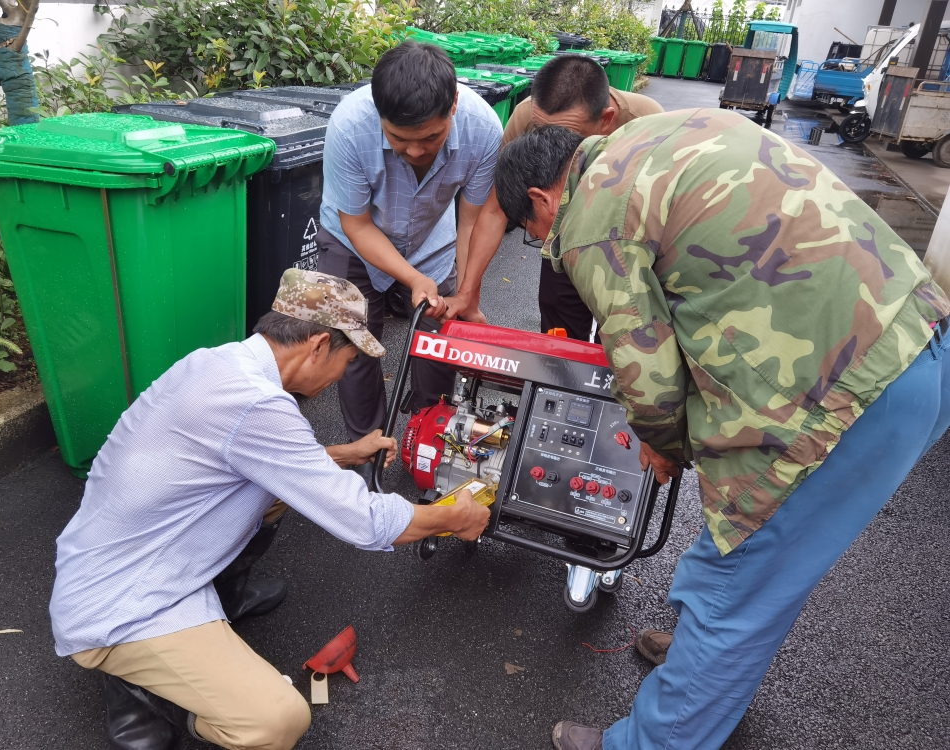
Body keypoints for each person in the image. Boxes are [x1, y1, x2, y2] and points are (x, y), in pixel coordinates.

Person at [493, 115, 950, 750]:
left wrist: (665, 447)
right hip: (919, 340)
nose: (543, 244)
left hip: (846, 395)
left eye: (532, 233)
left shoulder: (589, 215)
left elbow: (646, 377)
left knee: (738, 590)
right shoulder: (662, 133)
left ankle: (658, 736)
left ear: (542, 199)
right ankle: (697, 654)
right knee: (743, 539)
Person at [49, 269, 490, 750]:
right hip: (122, 605)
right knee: (279, 720)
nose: (344, 374)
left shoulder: (218, 365)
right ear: (319, 345)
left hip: (130, 553)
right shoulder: (255, 405)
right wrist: (454, 517)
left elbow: (256, 461)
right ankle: (154, 695)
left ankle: (224, 598)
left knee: (282, 491)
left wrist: (343, 453)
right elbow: (362, 520)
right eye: (348, 361)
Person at [316, 40, 503, 441]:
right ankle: (369, 446)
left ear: (453, 105)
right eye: (399, 138)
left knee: (442, 337)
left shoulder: (484, 128)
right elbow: (358, 225)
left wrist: (468, 294)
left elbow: (474, 219)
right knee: (356, 343)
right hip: (352, 240)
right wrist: (413, 279)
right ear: (379, 114)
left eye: (431, 137)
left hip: (430, 236)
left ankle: (430, 432)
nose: (415, 151)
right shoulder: (349, 126)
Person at [442, 54, 664, 340]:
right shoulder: (527, 116)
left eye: (568, 137)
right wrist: (466, 294)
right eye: (543, 130)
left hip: (631, 240)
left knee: (625, 340)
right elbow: (495, 210)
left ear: (606, 121)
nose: (552, 144)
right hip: (560, 229)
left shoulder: (645, 122)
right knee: (560, 337)